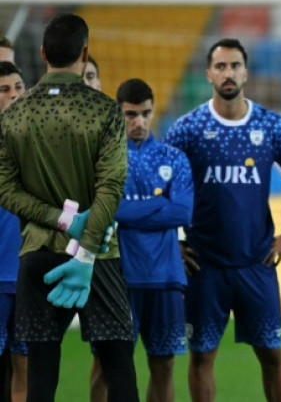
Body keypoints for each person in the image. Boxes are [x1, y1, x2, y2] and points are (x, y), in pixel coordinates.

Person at [0, 13, 138, 402]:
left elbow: (4, 188)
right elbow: (112, 188)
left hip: (38, 254)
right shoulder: (105, 110)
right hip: (99, 258)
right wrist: (87, 248)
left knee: (40, 379)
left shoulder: (14, 115)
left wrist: (62, 221)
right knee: (120, 372)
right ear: (85, 53)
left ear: (42, 53)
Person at [164, 38, 281, 402]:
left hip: (257, 262)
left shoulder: (271, 126)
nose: (228, 73)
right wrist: (173, 241)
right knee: (202, 356)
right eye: (220, 66)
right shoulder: (188, 128)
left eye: (235, 65)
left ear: (246, 72)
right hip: (203, 265)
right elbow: (158, 183)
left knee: (271, 355)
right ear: (208, 74)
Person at [100, 78, 194, 402]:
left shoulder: (174, 158)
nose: (138, 122)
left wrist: (125, 211)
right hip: (118, 279)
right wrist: (158, 204)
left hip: (166, 278)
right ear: (118, 113)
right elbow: (106, 209)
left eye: (145, 113)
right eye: (130, 115)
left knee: (164, 365)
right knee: (107, 366)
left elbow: (182, 213)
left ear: (154, 111)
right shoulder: (106, 157)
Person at [0, 62, 27, 402]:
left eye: (19, 87)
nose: (15, 95)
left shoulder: (41, 143)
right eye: (4, 90)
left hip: (27, 275)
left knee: (25, 367)